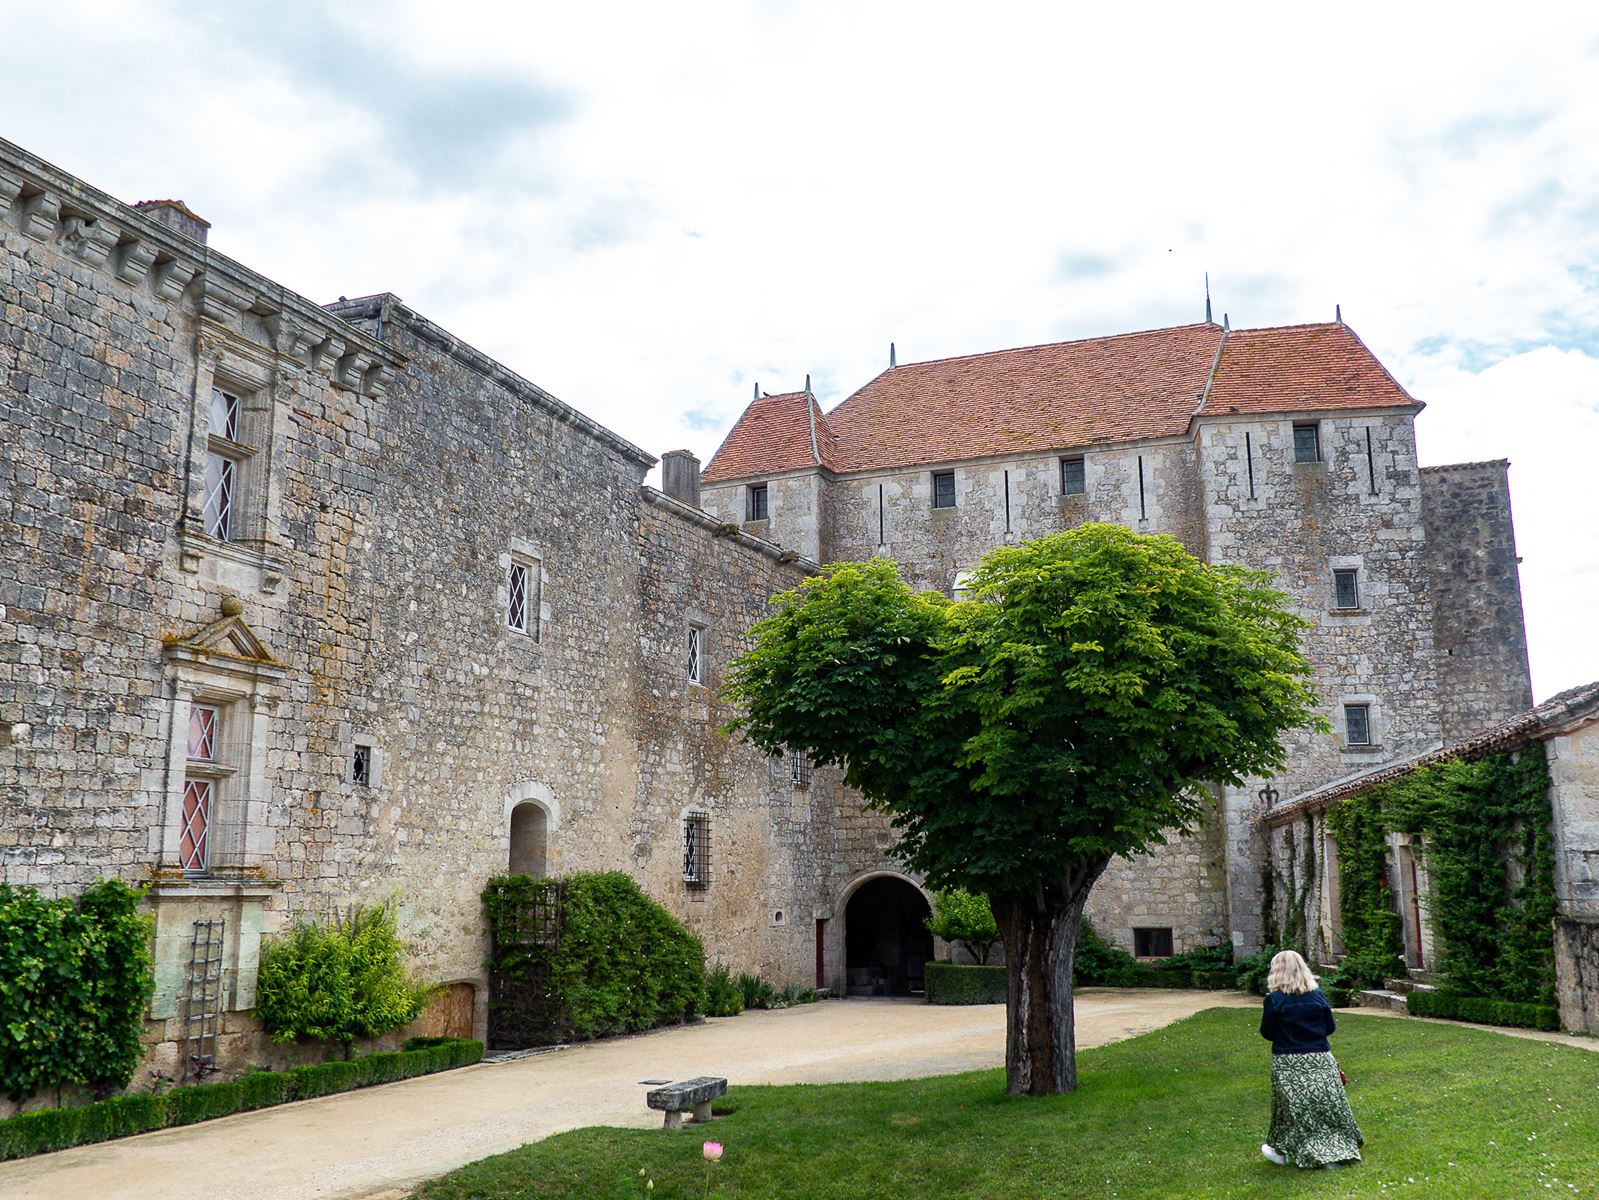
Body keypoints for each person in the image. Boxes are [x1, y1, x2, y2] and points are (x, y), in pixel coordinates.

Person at [1258, 949, 1363, 1169]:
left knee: (1292, 1106)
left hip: (1289, 1060)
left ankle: (1300, 1150)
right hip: (1319, 1056)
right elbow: (1330, 1027)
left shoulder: (1274, 1000)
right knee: (1326, 1103)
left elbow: (1267, 1032)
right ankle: (1331, 1146)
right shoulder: (1317, 996)